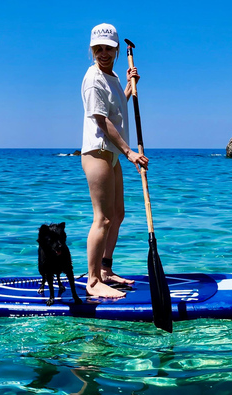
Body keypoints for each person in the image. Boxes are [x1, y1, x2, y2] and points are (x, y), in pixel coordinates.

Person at [81, 23, 149, 299]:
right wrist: (131, 153)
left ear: (117, 49)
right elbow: (102, 120)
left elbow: (117, 106)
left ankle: (106, 269)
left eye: (108, 48)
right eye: (98, 48)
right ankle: (93, 280)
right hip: (98, 151)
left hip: (112, 153)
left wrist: (131, 87)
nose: (103, 53)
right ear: (92, 50)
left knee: (117, 215)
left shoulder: (112, 78)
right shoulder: (93, 78)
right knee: (103, 218)